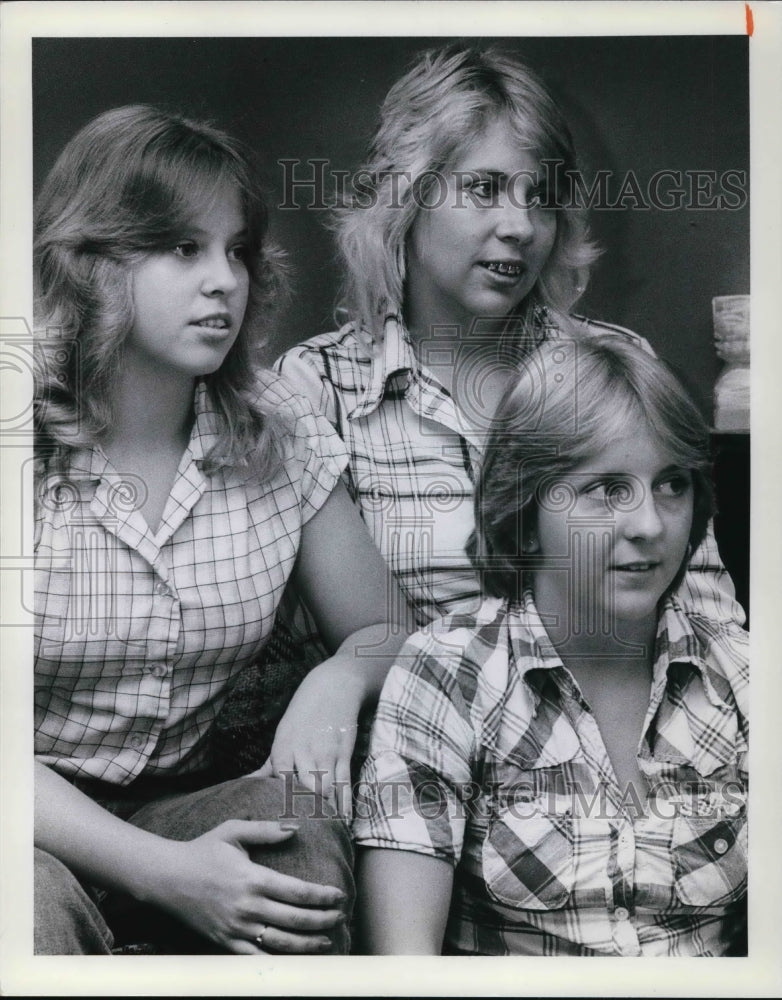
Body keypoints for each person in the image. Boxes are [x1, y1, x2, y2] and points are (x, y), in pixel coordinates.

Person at [33, 105, 410, 955]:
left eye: (236, 249)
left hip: (184, 799)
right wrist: (165, 874)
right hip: (30, 818)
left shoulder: (278, 424)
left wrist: (337, 683)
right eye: (182, 248)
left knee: (296, 840)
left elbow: (385, 626)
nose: (225, 280)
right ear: (90, 263)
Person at [274, 44, 745, 673]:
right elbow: (342, 650)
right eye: (484, 188)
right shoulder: (316, 389)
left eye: (541, 196)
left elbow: (708, 618)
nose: (521, 225)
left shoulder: (618, 362)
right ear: (404, 201)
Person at [353, 335, 748, 956]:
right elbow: (404, 965)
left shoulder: (743, 674)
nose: (649, 524)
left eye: (672, 483)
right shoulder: (447, 673)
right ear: (526, 505)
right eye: (608, 488)